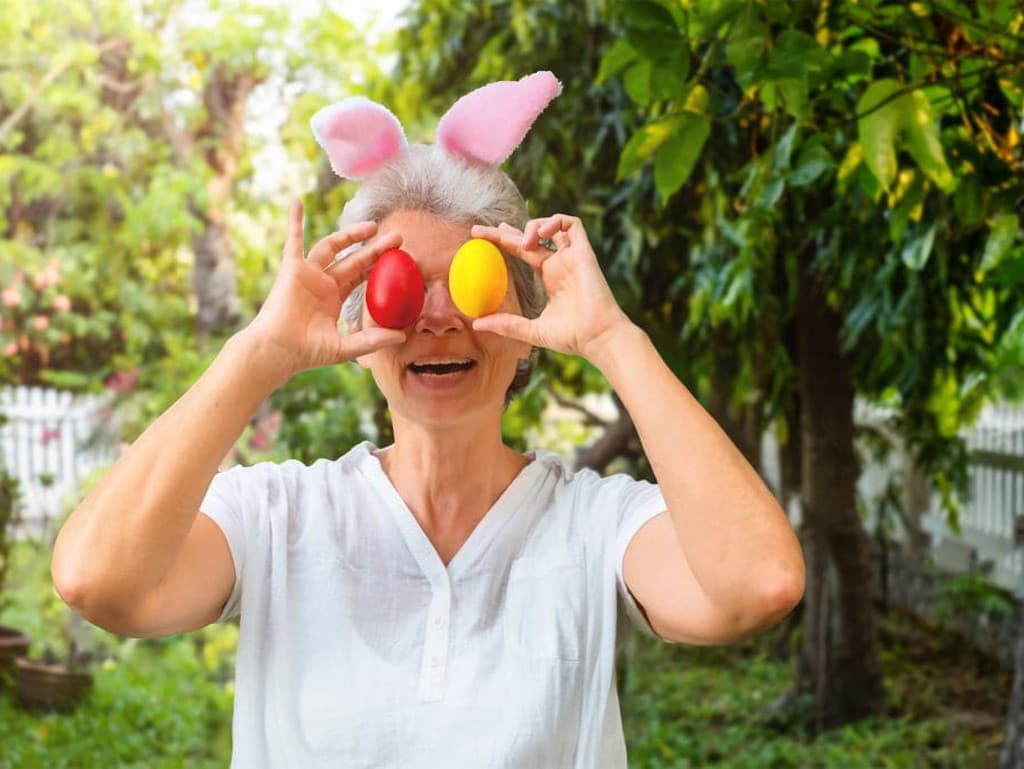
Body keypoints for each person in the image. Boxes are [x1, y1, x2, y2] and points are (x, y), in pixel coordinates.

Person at [51, 73, 804, 768]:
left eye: (473, 285)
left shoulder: (594, 524)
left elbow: (759, 582)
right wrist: (259, 354)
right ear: (356, 327)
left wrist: (614, 340)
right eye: (405, 286)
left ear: (528, 322)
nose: (440, 318)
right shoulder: (280, 517)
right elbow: (96, 580)